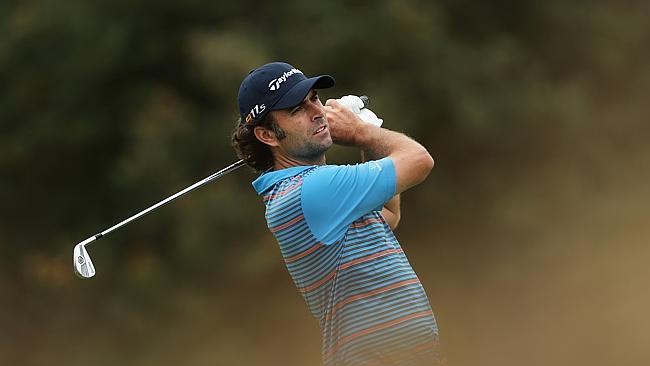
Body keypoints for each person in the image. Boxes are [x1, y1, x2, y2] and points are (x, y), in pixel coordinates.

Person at [231, 62, 442, 365]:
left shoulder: (308, 191)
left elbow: (387, 215)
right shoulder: (312, 189)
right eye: (295, 110)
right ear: (268, 135)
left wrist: (370, 139)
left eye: (313, 98)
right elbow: (420, 160)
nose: (316, 111)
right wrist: (362, 133)